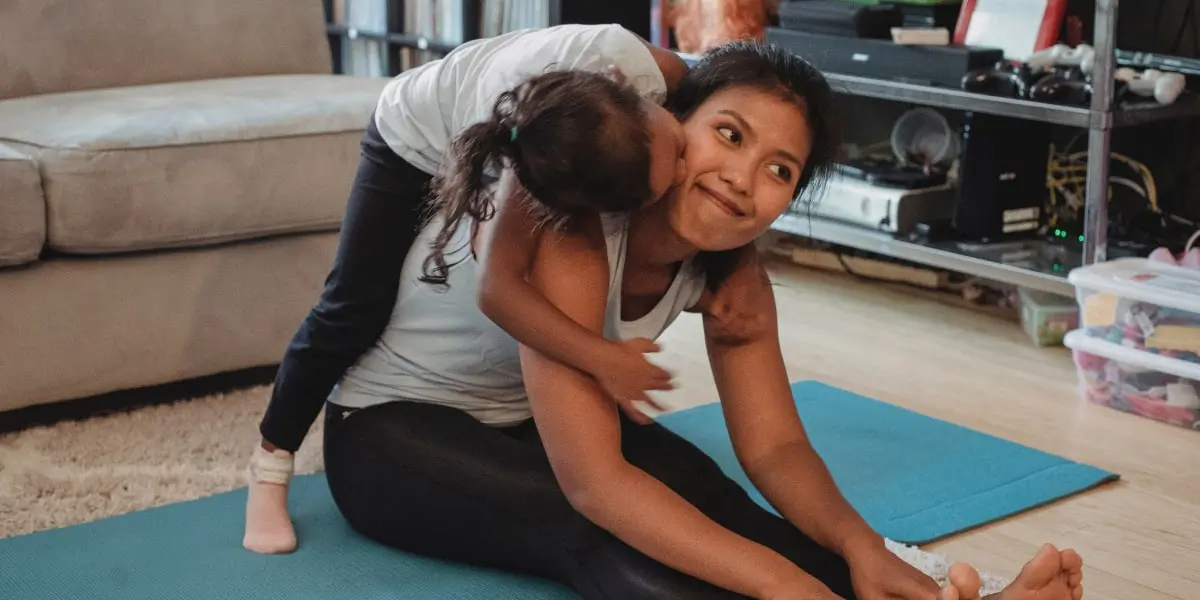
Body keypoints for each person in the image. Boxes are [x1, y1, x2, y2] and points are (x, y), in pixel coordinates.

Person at [313, 43, 1085, 600]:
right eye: (729, 134)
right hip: (388, 432)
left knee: (706, 495)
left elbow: (777, 446)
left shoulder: (736, 278)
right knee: (594, 527)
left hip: (519, 421)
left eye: (780, 170)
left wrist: (860, 547)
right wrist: (786, 588)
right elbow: (596, 487)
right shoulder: (575, 232)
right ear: (668, 128)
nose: (744, 179)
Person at [244, 23, 694, 554]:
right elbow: (497, 290)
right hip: (411, 130)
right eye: (679, 155)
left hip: (529, 117)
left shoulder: (647, 71)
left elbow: (719, 83)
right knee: (354, 306)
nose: (691, 168)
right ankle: (269, 466)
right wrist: (604, 359)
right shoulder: (532, 158)